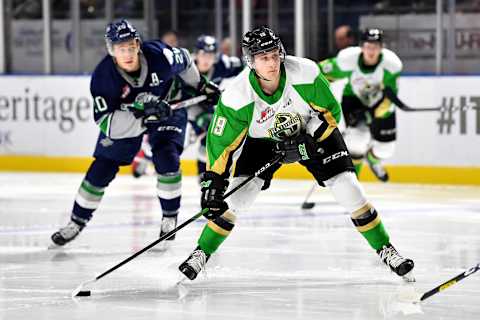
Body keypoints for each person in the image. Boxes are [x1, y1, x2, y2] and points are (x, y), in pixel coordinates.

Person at [177, 26, 414, 281]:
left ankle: (386, 249)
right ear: (251, 61)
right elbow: (221, 145)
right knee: (237, 199)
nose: (272, 62)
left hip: (312, 132)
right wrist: (213, 183)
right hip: (264, 142)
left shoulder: (306, 72)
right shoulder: (237, 96)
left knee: (350, 190)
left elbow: (331, 114)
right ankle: (201, 253)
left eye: (274, 53)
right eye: (263, 57)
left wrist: (304, 142)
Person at [50, 19, 220, 248]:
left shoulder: (160, 55)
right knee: (102, 168)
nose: (127, 53)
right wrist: (141, 116)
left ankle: (169, 218)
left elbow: (187, 61)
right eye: (121, 49)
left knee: (166, 156)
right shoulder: (103, 77)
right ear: (112, 51)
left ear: (138, 44)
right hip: (129, 120)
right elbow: (105, 122)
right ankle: (76, 222)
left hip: (169, 106)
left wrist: (200, 86)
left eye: (131, 46)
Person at [132, 35, 243, 177]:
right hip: (177, 105)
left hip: (201, 106)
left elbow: (247, 67)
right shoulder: (184, 65)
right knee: (166, 142)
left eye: (211, 55)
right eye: (203, 54)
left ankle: (204, 174)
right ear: (196, 53)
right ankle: (146, 155)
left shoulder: (223, 64)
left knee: (212, 130)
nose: (206, 59)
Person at [319, 28, 401, 182]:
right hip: (354, 101)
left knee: (386, 149)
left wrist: (373, 114)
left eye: (375, 47)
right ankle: (353, 182)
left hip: (380, 105)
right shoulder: (348, 60)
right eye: (368, 46)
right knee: (357, 139)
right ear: (362, 46)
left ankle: (373, 159)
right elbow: (319, 72)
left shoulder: (391, 65)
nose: (371, 51)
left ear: (382, 48)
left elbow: (389, 99)